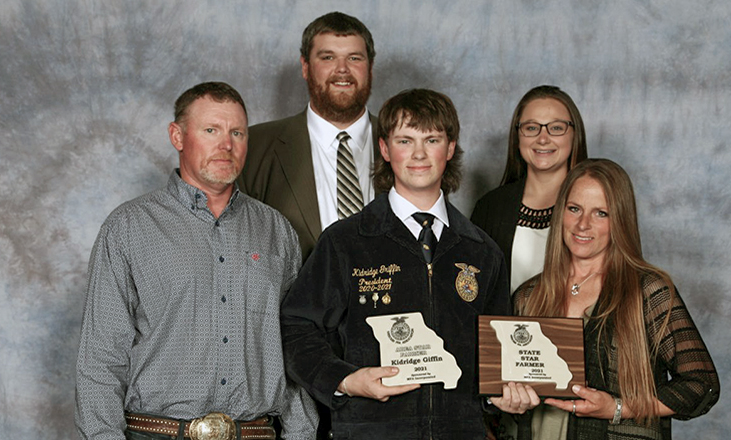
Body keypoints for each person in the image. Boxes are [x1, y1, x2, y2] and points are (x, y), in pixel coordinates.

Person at [75, 82, 317, 440]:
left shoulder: (276, 232)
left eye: (237, 132)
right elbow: (100, 361)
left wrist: (302, 434)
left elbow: (293, 347)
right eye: (211, 130)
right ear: (177, 136)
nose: (226, 144)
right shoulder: (128, 228)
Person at [280, 89, 512, 439]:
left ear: (450, 148)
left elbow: (497, 355)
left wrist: (503, 395)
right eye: (406, 140)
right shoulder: (345, 243)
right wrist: (344, 379)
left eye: (431, 139)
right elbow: (296, 327)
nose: (419, 154)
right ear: (385, 149)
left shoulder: (482, 251)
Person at [493, 159, 720, 440]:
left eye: (601, 213)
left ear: (620, 221)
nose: (583, 224)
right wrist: (505, 401)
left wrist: (618, 407)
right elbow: (501, 394)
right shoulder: (528, 296)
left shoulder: (647, 292)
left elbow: (702, 385)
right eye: (574, 209)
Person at [237, 11, 380, 262]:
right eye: (328, 57)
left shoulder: (408, 146)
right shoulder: (253, 147)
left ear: (370, 67)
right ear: (305, 67)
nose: (342, 70)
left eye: (354, 58)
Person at [471, 85, 588, 295]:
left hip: (582, 327)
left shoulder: (598, 204)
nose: (543, 138)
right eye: (532, 128)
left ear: (574, 135)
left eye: (557, 127)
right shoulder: (490, 208)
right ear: (518, 137)